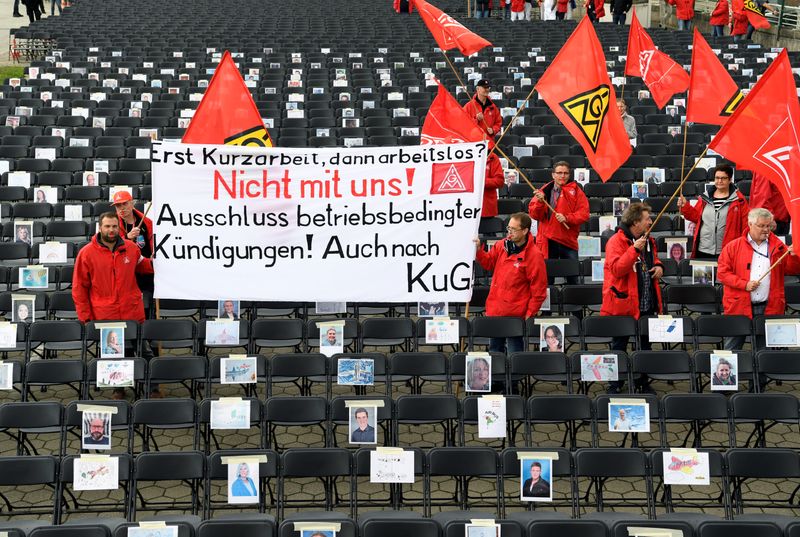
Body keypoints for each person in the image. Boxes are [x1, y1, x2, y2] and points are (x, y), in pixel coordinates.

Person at [73, 212, 155, 398]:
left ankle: (153, 387)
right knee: (115, 356)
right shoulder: (86, 253)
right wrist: (86, 318)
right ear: (100, 228)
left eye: (114, 226)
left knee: (144, 351)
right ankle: (119, 388)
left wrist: (163, 262)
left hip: (132, 311)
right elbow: (79, 289)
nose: (111, 230)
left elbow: (144, 266)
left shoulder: (132, 248)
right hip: (106, 316)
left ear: (119, 227)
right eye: (107, 226)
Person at [601, 203, 664, 393]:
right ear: (635, 222)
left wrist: (660, 267)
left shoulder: (649, 241)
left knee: (644, 346)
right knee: (619, 346)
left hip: (646, 301)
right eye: (647, 219)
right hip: (623, 304)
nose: (650, 222)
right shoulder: (615, 241)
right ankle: (615, 384)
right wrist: (634, 250)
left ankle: (642, 382)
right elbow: (618, 269)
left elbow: (654, 261)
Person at [718, 208, 800, 350]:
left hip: (769, 306)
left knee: (764, 351)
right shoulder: (732, 246)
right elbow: (722, 273)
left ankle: (761, 373)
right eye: (761, 226)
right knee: (732, 348)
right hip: (738, 306)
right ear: (750, 224)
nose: (766, 230)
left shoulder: (779, 247)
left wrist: (793, 256)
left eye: (768, 226)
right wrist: (744, 284)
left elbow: (792, 270)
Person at [475, 212, 548, 354]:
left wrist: (529, 314)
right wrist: (479, 251)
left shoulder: (534, 255)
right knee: (495, 352)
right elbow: (488, 263)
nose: (510, 232)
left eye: (514, 229)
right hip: (495, 309)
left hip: (516, 314)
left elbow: (539, 290)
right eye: (509, 228)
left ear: (525, 231)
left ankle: (516, 377)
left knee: (515, 354)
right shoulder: (501, 245)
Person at [528, 161, 590, 284]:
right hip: (548, 240)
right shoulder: (544, 191)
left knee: (572, 275)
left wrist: (567, 218)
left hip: (568, 240)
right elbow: (534, 215)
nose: (563, 176)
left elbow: (584, 214)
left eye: (566, 173)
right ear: (553, 175)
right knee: (548, 277)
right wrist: (540, 202)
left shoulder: (577, 191)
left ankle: (574, 301)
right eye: (559, 173)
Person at [678, 165, 749, 260]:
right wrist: (685, 206)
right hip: (703, 249)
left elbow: (745, 226)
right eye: (717, 178)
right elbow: (695, 217)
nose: (719, 181)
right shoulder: (704, 197)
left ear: (730, 179)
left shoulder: (739, 200)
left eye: (723, 178)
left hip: (728, 249)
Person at [112, 191, 154, 305]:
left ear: (132, 203)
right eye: (118, 206)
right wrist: (127, 237)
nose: (122, 208)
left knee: (146, 304)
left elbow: (153, 241)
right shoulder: (112, 225)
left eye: (124, 204)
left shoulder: (147, 222)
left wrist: (154, 253)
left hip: (145, 271)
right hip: (125, 272)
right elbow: (110, 247)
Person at [481, 153, 505, 220]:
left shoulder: (492, 157)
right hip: (464, 207)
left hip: (486, 209)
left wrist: (480, 181)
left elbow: (499, 181)